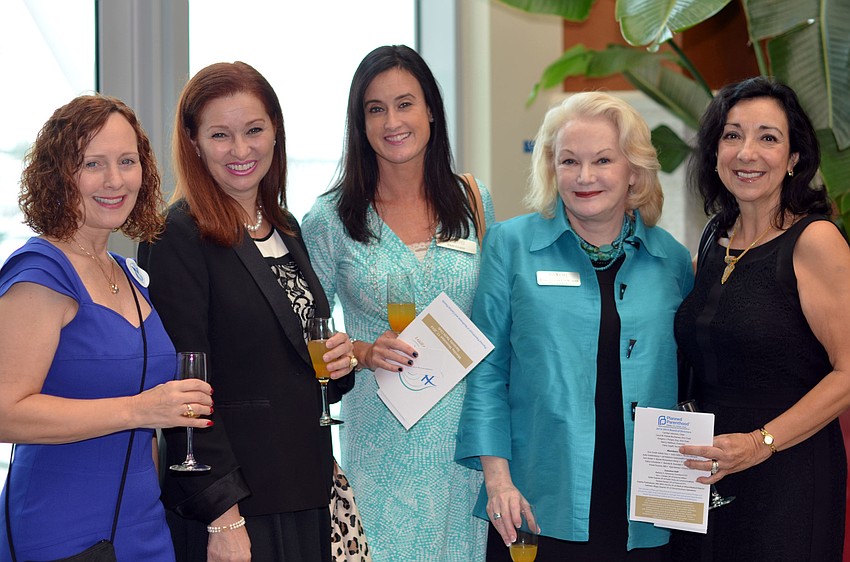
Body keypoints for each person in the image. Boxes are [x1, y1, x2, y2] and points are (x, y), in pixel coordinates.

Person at [455, 91, 694, 561]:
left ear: (634, 171)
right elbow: (485, 371)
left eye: (603, 160)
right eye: (569, 161)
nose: (585, 177)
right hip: (536, 502)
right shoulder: (511, 246)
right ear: (552, 168)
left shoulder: (673, 261)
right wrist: (498, 482)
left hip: (647, 507)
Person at [138, 61, 356, 562]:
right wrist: (222, 516)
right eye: (220, 135)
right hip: (239, 507)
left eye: (254, 130)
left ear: (275, 132)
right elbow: (184, 390)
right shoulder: (176, 235)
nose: (241, 150)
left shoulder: (286, 227)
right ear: (193, 143)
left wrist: (339, 364)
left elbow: (294, 359)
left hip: (304, 491)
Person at [301, 45, 495, 562]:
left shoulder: (474, 201)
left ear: (431, 109)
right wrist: (361, 351)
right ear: (359, 122)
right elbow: (305, 335)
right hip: (381, 439)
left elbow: (499, 316)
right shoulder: (329, 219)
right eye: (375, 108)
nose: (393, 121)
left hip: (466, 440)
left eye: (405, 104)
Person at [0, 95, 213, 561]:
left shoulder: (125, 271)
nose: (115, 180)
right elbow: (5, 413)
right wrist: (139, 410)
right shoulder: (40, 271)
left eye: (126, 161)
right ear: (59, 175)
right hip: (60, 529)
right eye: (93, 163)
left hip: (143, 525)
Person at [670, 77, 850, 561]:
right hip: (704, 476)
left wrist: (759, 443)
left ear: (794, 159)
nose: (747, 152)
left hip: (785, 474)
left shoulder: (816, 242)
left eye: (768, 137)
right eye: (732, 135)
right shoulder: (713, 238)